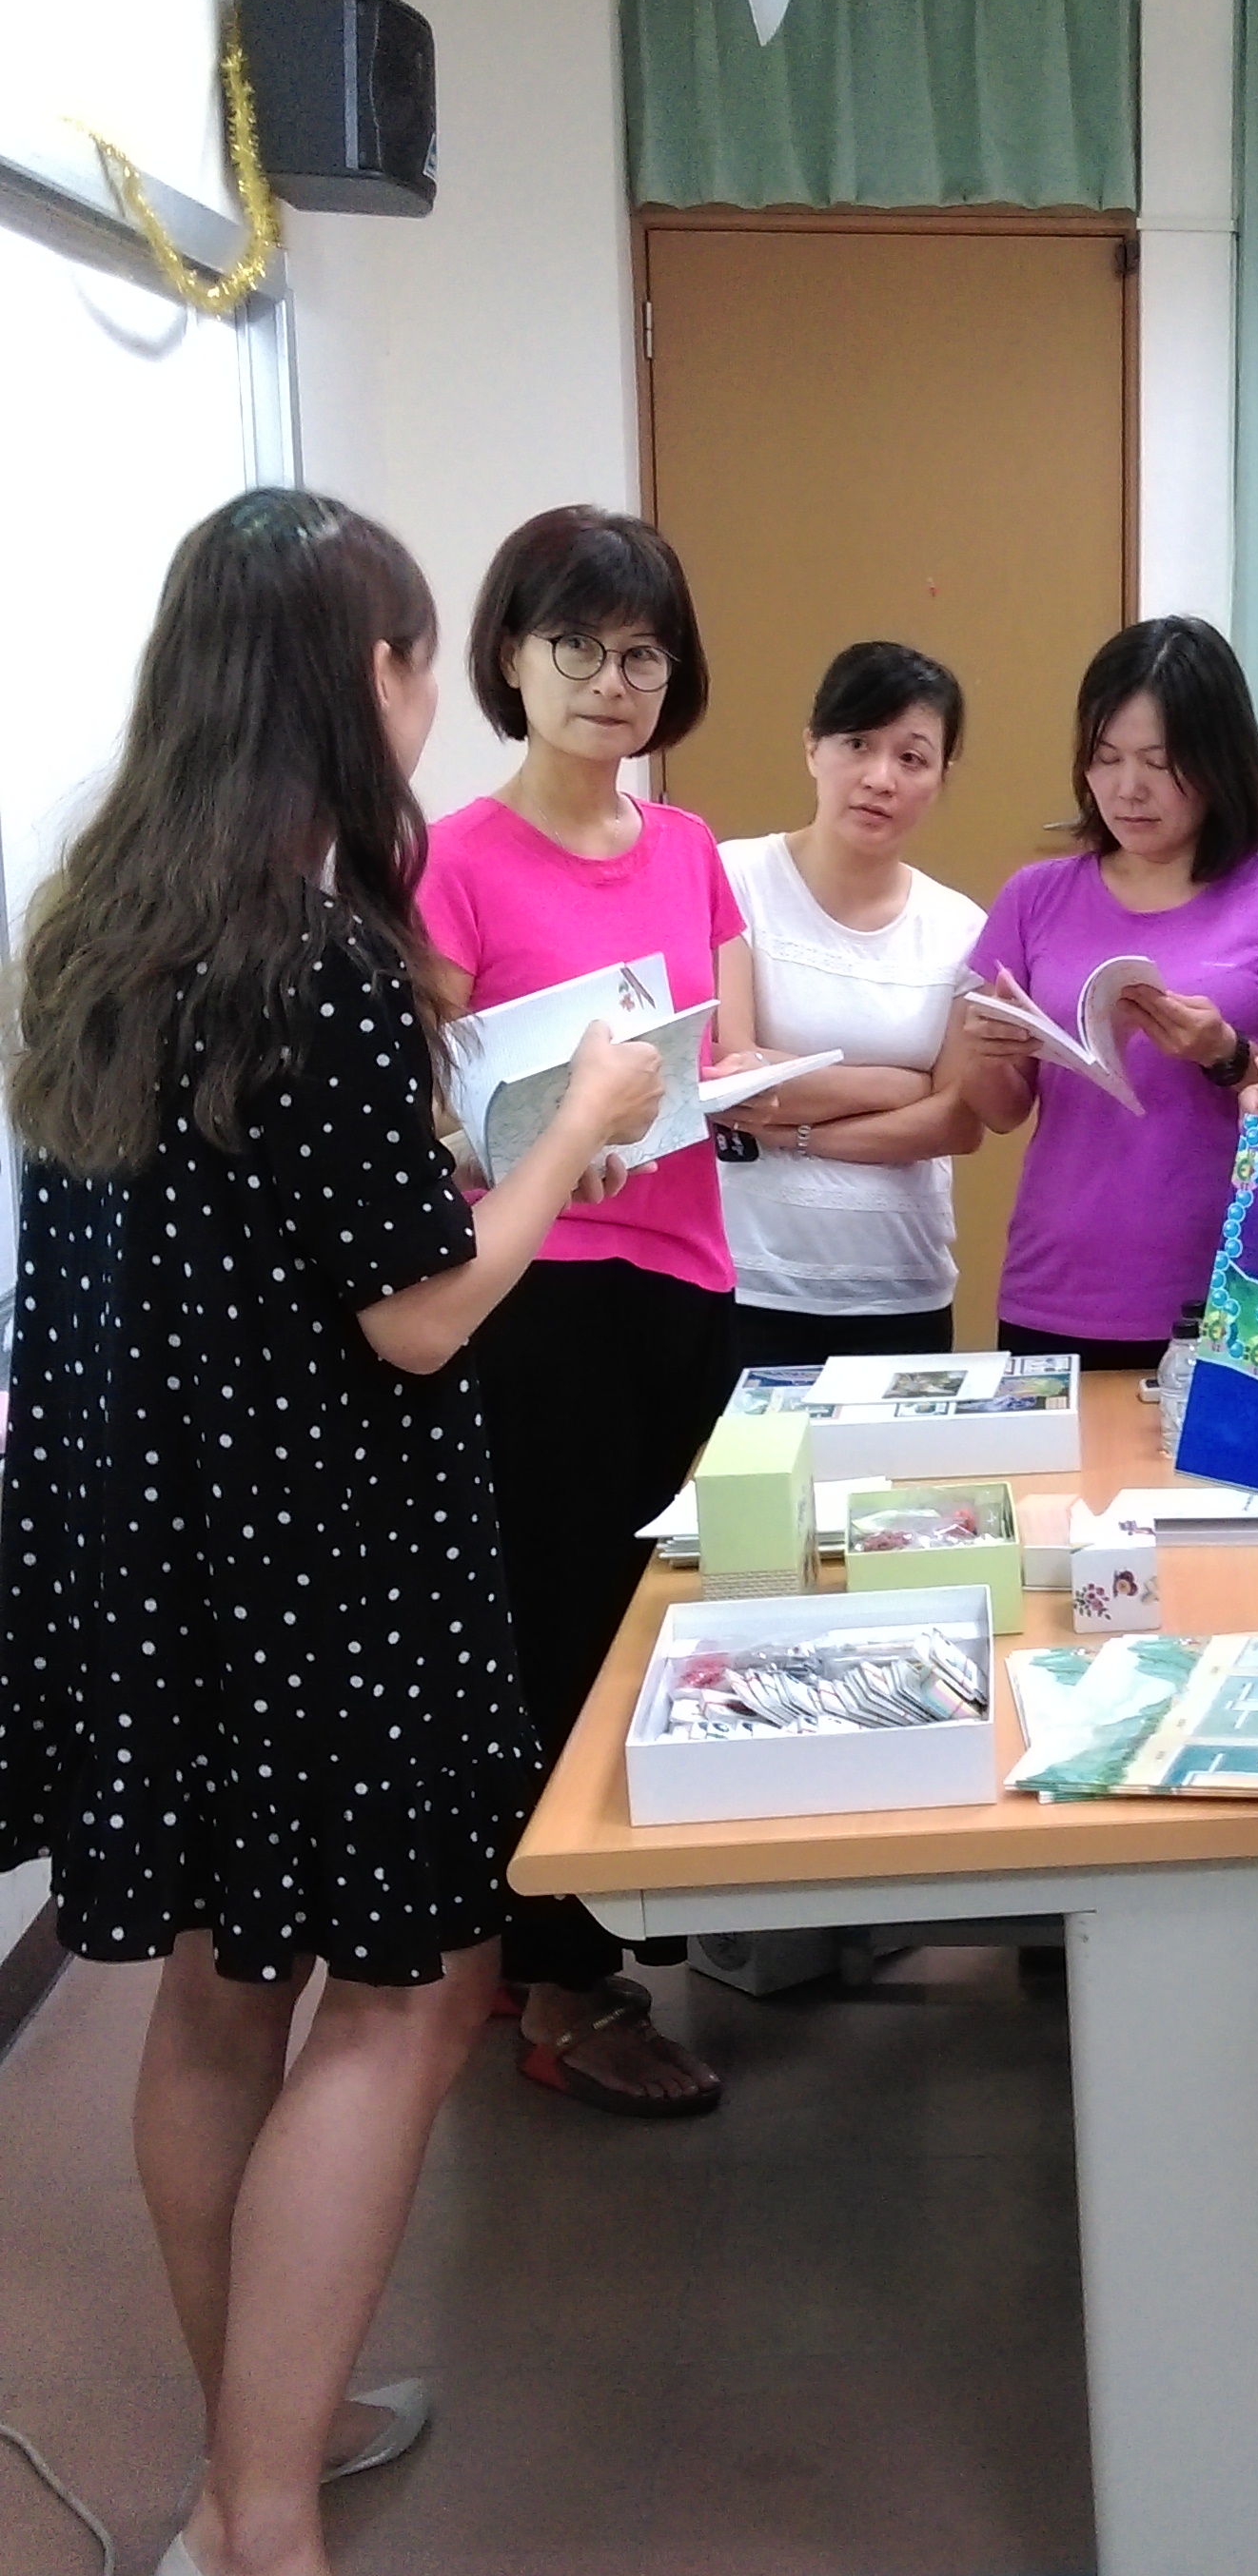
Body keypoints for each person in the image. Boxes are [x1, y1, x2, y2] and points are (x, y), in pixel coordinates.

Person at [0, 491, 662, 2576]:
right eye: (410, 655)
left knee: (218, 1992)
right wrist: (572, 1131)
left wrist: (471, 1152)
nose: (423, 696)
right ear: (355, 678)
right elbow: (417, 1315)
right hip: (320, 1571)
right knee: (404, 2002)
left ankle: (258, 2431)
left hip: (154, 1563)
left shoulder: (99, 932)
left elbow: (235, 1243)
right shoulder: (316, 958)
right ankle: (257, 2548)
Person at [419, 508, 753, 2119]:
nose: (614, 680)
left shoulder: (687, 848)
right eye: (578, 645)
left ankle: (563, 1935)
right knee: (559, 1631)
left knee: (665, 1624)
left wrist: (721, 1093)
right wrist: (556, 1136)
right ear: (510, 654)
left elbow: (715, 1052)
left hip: (686, 1274)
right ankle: (560, 1984)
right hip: (536, 1300)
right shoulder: (453, 860)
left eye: (644, 653)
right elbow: (428, 1114)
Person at [959, 616, 1258, 1362]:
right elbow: (1002, 1111)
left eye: (1159, 762)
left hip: (1237, 1287)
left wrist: (1227, 1056)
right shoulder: (1034, 896)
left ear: (1218, 760)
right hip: (1057, 1285)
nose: (1127, 789)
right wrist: (990, 1049)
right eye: (1105, 759)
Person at [717, 639, 986, 1362]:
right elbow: (733, 1074)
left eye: (912, 757)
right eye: (857, 743)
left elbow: (959, 1121)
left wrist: (796, 1132)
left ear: (941, 776)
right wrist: (901, 1086)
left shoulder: (961, 929)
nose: (879, 778)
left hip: (901, 1285)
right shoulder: (734, 878)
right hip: (749, 1279)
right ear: (813, 747)